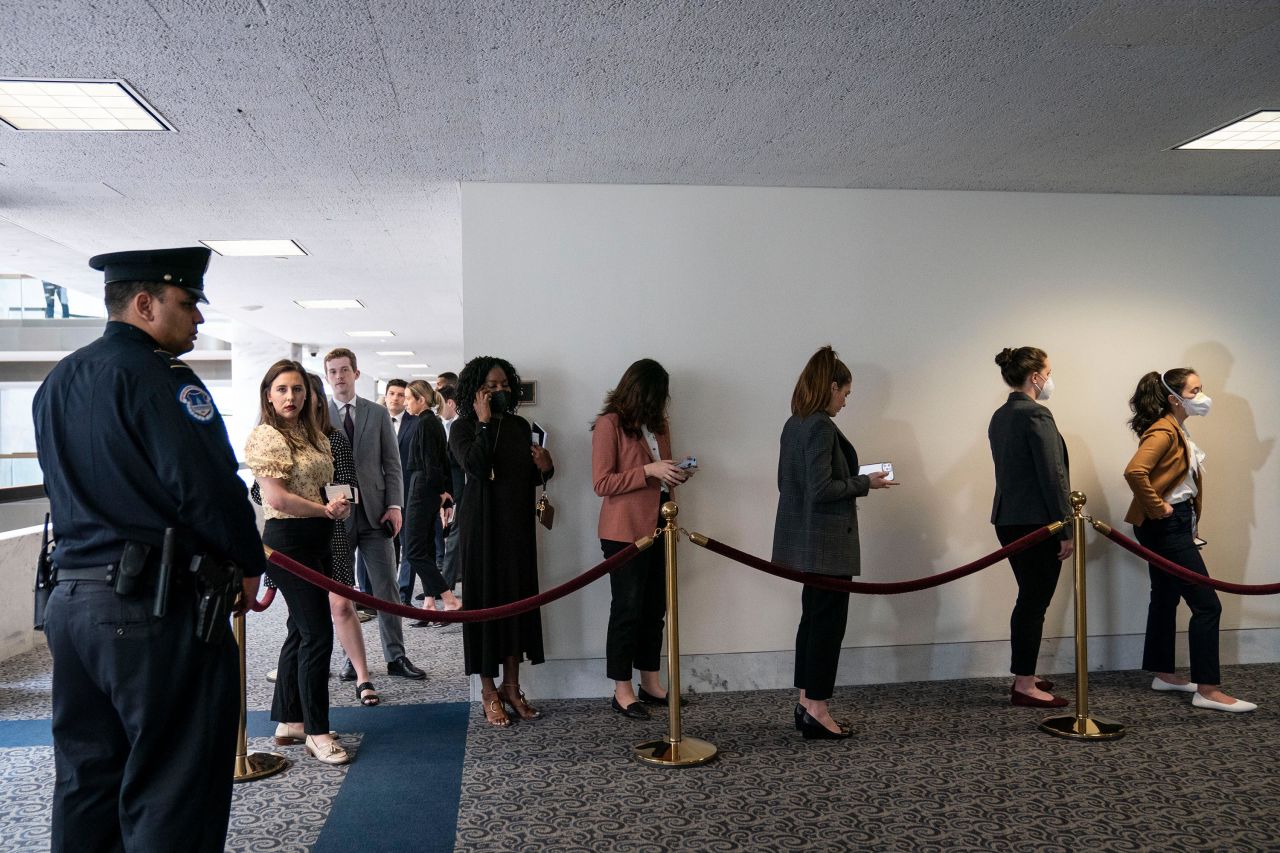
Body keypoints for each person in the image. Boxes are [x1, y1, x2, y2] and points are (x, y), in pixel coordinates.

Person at [33, 246, 265, 851]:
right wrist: (246, 563)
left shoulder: (58, 380)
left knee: (87, 776)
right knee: (173, 780)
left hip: (72, 602)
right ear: (144, 304)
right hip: (152, 611)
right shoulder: (163, 380)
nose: (198, 318)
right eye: (187, 303)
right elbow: (207, 487)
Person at [773, 346, 897, 740]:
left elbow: (793, 483)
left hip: (809, 541)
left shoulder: (795, 423)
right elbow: (822, 488)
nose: (845, 401)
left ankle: (806, 702)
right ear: (831, 386)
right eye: (845, 393)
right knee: (826, 626)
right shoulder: (821, 425)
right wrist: (866, 482)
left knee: (812, 622)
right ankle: (817, 709)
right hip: (826, 542)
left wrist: (853, 477)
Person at [1123, 369, 1256, 712]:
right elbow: (1134, 471)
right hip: (1166, 527)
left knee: (1165, 596)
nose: (1203, 396)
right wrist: (1158, 507)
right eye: (1195, 391)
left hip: (1172, 524)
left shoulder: (1176, 427)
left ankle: (1163, 674)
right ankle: (1208, 690)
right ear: (1174, 398)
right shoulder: (1164, 431)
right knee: (1208, 605)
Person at [246, 360, 353, 765]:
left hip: (319, 539)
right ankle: (317, 731)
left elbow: (323, 486)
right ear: (269, 395)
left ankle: (290, 719)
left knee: (299, 629)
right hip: (288, 544)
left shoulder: (313, 436)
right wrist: (324, 511)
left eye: (297, 389)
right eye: (282, 390)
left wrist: (335, 506)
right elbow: (275, 499)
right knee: (317, 634)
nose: (291, 397)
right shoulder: (266, 437)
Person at [451, 356, 554, 727]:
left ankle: (513, 686)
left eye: (504, 386)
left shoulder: (518, 426)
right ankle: (488, 690)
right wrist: (481, 422)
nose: (498, 392)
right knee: (485, 605)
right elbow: (475, 466)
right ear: (474, 390)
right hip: (480, 529)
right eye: (490, 386)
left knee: (516, 603)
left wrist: (545, 466)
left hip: (515, 528)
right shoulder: (461, 428)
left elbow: (525, 477)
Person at [592, 359, 692, 720]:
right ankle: (621, 689)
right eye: (657, 395)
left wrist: (676, 474)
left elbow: (661, 475)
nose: (662, 403)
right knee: (627, 609)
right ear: (640, 391)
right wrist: (648, 470)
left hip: (662, 525)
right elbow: (601, 484)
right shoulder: (609, 424)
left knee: (655, 609)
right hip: (623, 533)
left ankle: (650, 681)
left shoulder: (659, 424)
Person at [325, 348, 426, 681]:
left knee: (387, 588)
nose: (339, 377)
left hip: (376, 514)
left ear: (356, 374)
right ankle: (349, 658)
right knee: (342, 591)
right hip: (336, 515)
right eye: (333, 371)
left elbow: (392, 464)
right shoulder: (319, 414)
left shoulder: (376, 413)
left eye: (344, 370)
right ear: (328, 376)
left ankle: (396, 657)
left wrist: (395, 506)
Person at [988, 346, 1073, 709]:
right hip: (1039, 522)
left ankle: (1026, 674)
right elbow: (1052, 475)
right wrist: (1067, 527)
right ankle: (1024, 684)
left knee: (1029, 598)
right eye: (1049, 371)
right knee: (1034, 601)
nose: (1051, 378)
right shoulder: (1036, 414)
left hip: (1008, 519)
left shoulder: (1000, 415)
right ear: (1035, 376)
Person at [404, 380, 461, 625]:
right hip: (426, 488)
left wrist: (441, 493)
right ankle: (429, 604)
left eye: (408, 398)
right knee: (425, 548)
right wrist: (445, 493)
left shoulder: (426, 423)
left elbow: (431, 464)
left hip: (422, 489)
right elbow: (443, 462)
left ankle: (449, 599)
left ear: (421, 400)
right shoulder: (432, 422)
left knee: (414, 551)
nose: (406, 403)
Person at [387, 378, 421, 603]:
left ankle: (403, 595)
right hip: (382, 494)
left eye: (401, 395)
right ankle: (381, 594)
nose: (396, 398)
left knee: (409, 546)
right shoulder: (374, 420)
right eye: (392, 393)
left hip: (409, 492)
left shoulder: (416, 423)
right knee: (386, 547)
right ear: (387, 395)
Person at [436, 384, 465, 591]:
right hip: (447, 489)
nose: (437, 409)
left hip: (462, 488)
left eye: (439, 404)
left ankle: (445, 585)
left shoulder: (462, 426)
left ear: (450, 403)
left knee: (456, 535)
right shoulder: (439, 425)